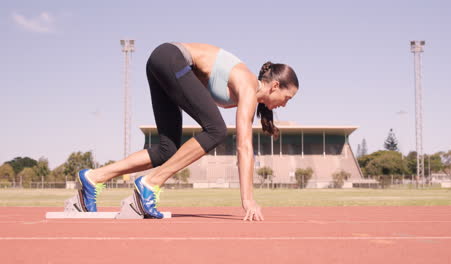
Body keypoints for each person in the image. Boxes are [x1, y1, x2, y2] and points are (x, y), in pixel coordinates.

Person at [77, 42, 299, 221]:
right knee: (216, 130)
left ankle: (94, 177)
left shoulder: (248, 92)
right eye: (287, 99)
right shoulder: (248, 86)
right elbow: (244, 147)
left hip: (162, 61)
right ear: (275, 86)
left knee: (167, 150)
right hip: (171, 58)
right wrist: (248, 199)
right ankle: (150, 183)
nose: (285, 105)